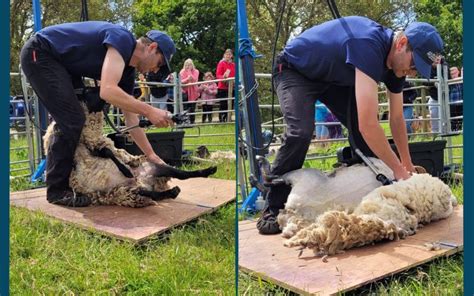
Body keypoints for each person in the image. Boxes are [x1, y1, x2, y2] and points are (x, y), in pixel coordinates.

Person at [256, 16, 443, 234]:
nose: (412, 72)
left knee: (365, 140)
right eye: (414, 64)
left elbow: (397, 118)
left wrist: (407, 164)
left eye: (418, 69)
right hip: (295, 70)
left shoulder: (396, 66)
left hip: (334, 79)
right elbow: (368, 124)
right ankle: (273, 205)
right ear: (401, 44)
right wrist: (398, 170)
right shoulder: (368, 44)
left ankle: (365, 195)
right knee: (300, 132)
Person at [20, 21, 176, 207]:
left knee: (78, 119)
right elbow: (107, 91)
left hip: (62, 64)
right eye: (159, 63)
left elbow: (131, 118)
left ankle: (72, 180)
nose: (155, 70)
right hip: (41, 52)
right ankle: (57, 190)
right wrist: (150, 110)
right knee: (72, 119)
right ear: (152, 47)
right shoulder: (122, 39)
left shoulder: (127, 73)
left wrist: (151, 155)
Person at [216, 49, 235, 122]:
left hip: (232, 86)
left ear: (231, 56)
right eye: (226, 54)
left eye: (229, 54)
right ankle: (222, 118)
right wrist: (223, 77)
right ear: (224, 55)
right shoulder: (221, 63)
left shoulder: (233, 65)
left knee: (231, 103)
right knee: (223, 104)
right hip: (223, 87)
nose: (228, 56)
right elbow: (218, 75)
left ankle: (228, 118)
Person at [179, 58, 200, 124]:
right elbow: (181, 81)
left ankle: (192, 122)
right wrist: (188, 79)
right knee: (185, 107)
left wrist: (189, 73)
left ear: (192, 65)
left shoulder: (196, 71)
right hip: (185, 92)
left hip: (194, 92)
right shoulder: (182, 71)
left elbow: (195, 80)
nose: (188, 66)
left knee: (192, 108)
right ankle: (185, 122)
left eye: (189, 65)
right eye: (186, 65)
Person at [448, 66, 463, 131]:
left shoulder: (461, 80)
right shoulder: (449, 82)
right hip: (452, 103)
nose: (453, 75)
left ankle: (459, 130)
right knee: (453, 118)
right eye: (452, 74)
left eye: (455, 73)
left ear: (458, 72)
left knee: (460, 118)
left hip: (460, 102)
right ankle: (453, 130)